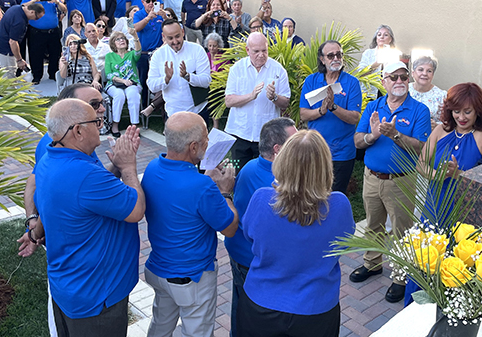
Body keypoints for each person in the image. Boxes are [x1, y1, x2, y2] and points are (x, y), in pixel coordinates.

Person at [17, 83, 132, 337]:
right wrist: (128, 168)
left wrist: (35, 231)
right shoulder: (63, 155)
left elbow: (78, 191)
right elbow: (135, 210)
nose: (101, 111)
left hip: (73, 280)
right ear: (74, 125)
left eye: (101, 104)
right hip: (94, 292)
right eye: (93, 108)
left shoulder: (66, 149)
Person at [237, 130, 355, 337]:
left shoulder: (262, 199)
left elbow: (249, 235)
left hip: (261, 303)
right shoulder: (339, 205)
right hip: (315, 308)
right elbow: (344, 244)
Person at [141, 112, 238, 337]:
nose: (209, 143)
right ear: (193, 147)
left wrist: (205, 179)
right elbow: (230, 228)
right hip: (192, 278)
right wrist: (224, 192)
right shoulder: (203, 187)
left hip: (158, 269)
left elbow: (179, 194)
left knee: (160, 326)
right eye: (206, 139)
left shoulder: (153, 168)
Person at [404, 82, 482, 305]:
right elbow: (421, 165)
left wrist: (460, 175)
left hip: (464, 213)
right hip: (434, 206)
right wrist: (437, 175)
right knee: (425, 259)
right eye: (456, 111)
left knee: (454, 267)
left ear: (479, 110)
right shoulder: (440, 130)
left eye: (467, 111)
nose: (461, 117)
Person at [350, 61, 431, 303]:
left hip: (401, 181)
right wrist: (373, 136)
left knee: (401, 231)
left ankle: (399, 277)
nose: (399, 81)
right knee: (373, 225)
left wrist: (395, 135)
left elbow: (423, 147)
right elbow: (357, 141)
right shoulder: (373, 106)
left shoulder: (419, 110)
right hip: (372, 177)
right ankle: (372, 264)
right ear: (384, 81)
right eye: (393, 77)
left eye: (403, 77)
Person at [224, 117, 297, 337]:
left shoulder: (250, 166)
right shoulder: (277, 181)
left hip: (242, 253)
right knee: (254, 314)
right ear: (278, 149)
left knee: (241, 306)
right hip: (253, 259)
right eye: (294, 142)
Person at [300, 40, 362, 194]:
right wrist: (320, 111)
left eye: (339, 54)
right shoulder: (311, 81)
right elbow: (303, 114)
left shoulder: (352, 83)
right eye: (331, 55)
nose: (336, 58)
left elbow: (354, 118)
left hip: (342, 152)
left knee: (335, 196)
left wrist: (333, 107)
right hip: (315, 150)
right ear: (322, 59)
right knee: (313, 194)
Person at [225, 32, 290, 170]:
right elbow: (229, 101)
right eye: (256, 51)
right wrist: (251, 95)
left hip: (267, 136)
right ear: (248, 50)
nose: (261, 55)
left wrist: (274, 97)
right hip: (240, 132)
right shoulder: (237, 69)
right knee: (239, 171)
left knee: (265, 174)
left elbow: (285, 103)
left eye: (264, 51)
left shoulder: (278, 69)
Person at [147, 19, 211, 118]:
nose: (175, 41)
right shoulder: (158, 55)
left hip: (198, 110)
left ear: (182, 32)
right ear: (163, 37)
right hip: (172, 111)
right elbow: (152, 85)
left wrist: (188, 76)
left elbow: (206, 81)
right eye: (170, 38)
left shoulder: (197, 50)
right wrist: (166, 79)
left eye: (177, 36)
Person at [23, 0, 67, 84]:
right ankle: (37, 76)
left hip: (53, 31)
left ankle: (53, 74)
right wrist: (35, 0)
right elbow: (22, 7)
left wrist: (57, 2)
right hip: (36, 32)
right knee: (35, 55)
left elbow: (65, 9)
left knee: (55, 54)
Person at [134, 0, 168, 105]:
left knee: (163, 79)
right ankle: (145, 106)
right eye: (148, 1)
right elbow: (135, 28)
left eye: (154, 1)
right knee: (143, 80)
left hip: (159, 52)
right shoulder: (139, 14)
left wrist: (166, 18)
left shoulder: (161, 14)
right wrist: (148, 18)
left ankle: (161, 105)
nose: (151, 3)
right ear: (143, 2)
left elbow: (172, 28)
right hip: (144, 53)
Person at [105, 31, 142, 137]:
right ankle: (115, 124)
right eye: (118, 39)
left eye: (123, 38)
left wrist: (135, 36)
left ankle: (134, 125)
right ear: (113, 43)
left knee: (132, 93)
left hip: (132, 84)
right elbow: (108, 75)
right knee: (119, 95)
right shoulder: (109, 56)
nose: (121, 40)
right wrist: (123, 81)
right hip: (114, 84)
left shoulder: (131, 54)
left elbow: (138, 51)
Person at [0, 2, 44, 77]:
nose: (35, 20)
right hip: (6, 50)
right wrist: (19, 60)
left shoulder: (16, 8)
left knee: (7, 73)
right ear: (32, 12)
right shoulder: (20, 22)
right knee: (9, 75)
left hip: (0, 44)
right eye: (36, 17)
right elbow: (13, 42)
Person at [358, 25, 401, 98]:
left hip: (387, 93)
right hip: (369, 93)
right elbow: (361, 73)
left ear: (390, 39)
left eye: (386, 35)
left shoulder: (394, 54)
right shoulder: (368, 53)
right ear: (376, 38)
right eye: (379, 35)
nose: (382, 37)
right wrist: (377, 63)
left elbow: (396, 74)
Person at [409, 56, 448, 130]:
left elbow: (449, 121)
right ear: (413, 73)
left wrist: (437, 126)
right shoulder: (405, 91)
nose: (424, 73)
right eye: (420, 70)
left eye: (429, 71)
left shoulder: (441, 96)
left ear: (433, 75)